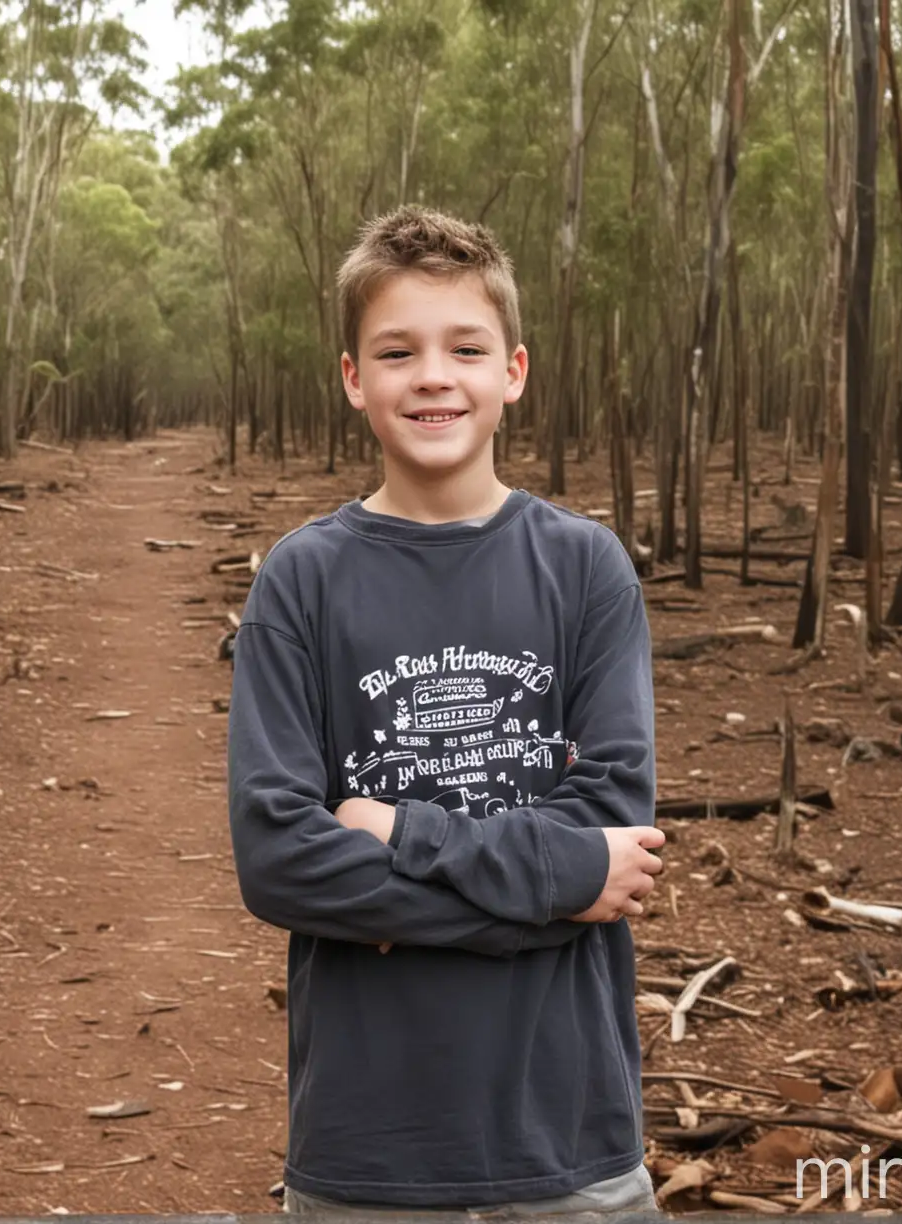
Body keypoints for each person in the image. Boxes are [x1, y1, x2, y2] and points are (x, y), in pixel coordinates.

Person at [226, 205, 666, 1215]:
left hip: (570, 1131)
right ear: (353, 380)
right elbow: (279, 858)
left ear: (513, 370)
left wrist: (393, 833)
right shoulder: (303, 581)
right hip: (370, 1146)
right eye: (397, 350)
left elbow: (611, 840)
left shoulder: (585, 569)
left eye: (465, 347)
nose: (433, 375)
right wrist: (551, 886)